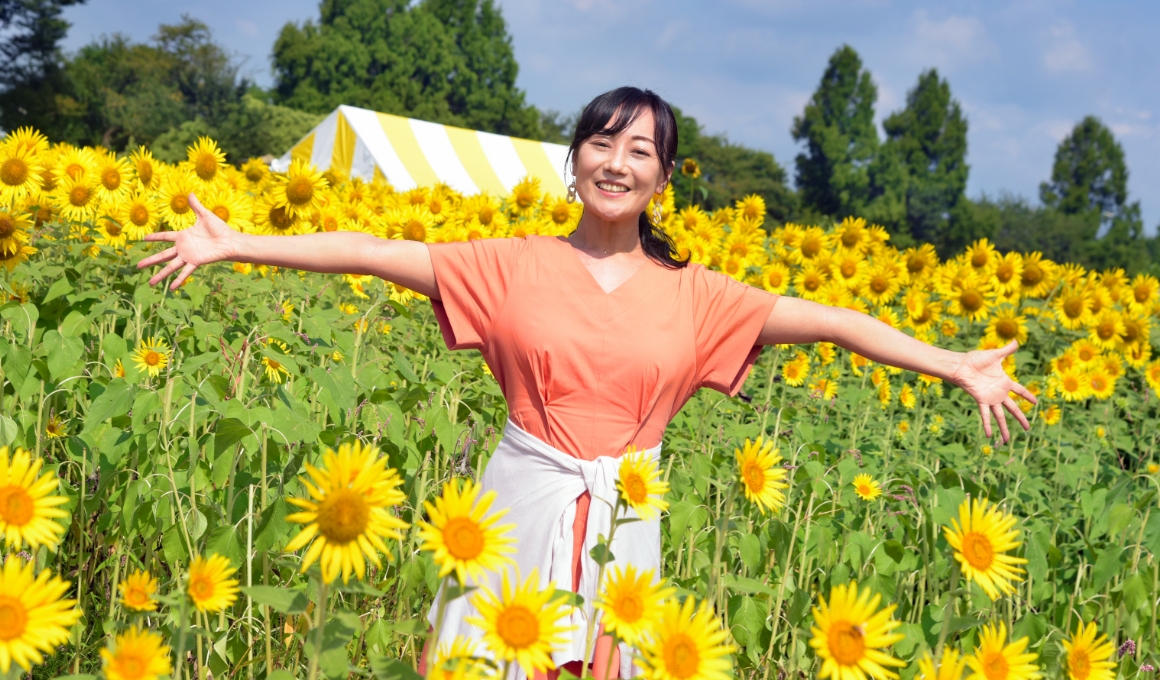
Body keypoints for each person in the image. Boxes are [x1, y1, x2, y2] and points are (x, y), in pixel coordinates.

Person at [137, 87, 1035, 679]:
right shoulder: (509, 265)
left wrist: (953, 362)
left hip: (625, 521)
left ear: (664, 177)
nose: (617, 161)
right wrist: (238, 243)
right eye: (602, 142)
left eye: (640, 151)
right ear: (574, 160)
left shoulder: (701, 295)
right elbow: (373, 255)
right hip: (512, 504)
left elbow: (836, 321)